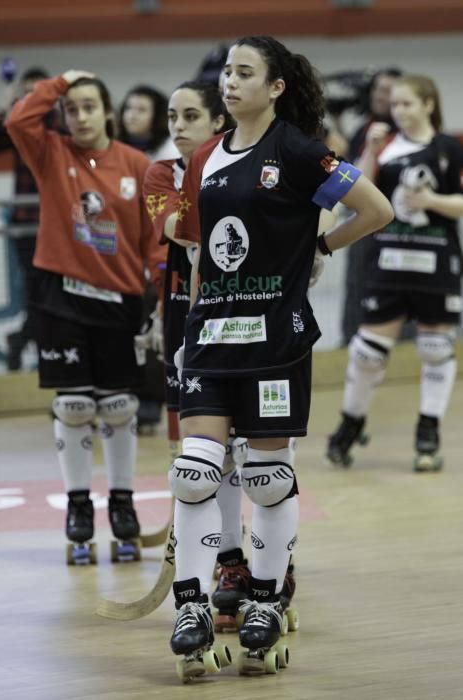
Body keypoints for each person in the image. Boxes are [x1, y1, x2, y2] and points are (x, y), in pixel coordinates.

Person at [166, 35, 393, 672]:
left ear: (275, 87)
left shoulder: (296, 152)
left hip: (275, 342)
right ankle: (190, 605)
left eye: (246, 73)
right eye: (228, 73)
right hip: (211, 336)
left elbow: (375, 209)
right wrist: (188, 326)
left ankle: (265, 599)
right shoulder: (205, 157)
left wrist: (319, 249)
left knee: (265, 479)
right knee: (196, 471)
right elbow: (206, 252)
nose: (231, 83)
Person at [5, 70, 160, 561]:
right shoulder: (52, 153)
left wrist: (157, 298)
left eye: (90, 106)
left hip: (118, 297)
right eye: (72, 110)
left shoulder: (136, 164)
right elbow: (17, 120)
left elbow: (152, 241)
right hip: (60, 295)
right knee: (73, 406)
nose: (81, 116)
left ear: (108, 111)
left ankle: (121, 503)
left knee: (118, 407)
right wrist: (59, 83)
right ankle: (77, 506)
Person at [141, 80, 254, 630]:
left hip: (242, 316)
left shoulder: (240, 165)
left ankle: (244, 565)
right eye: (172, 116)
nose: (178, 126)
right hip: (185, 315)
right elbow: (170, 226)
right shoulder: (163, 172)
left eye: (191, 116)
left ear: (218, 124)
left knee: (248, 456)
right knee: (199, 457)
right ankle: (215, 562)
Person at [327, 74, 463, 473]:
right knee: (367, 352)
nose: (398, 110)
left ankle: (428, 430)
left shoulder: (447, 147)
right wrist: (369, 150)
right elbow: (357, 192)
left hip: (436, 263)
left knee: (436, 350)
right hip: (388, 263)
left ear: (428, 105)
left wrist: (431, 200)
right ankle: (351, 423)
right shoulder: (384, 148)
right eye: (395, 104)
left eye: (407, 104)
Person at [117, 85, 179, 432]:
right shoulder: (114, 151)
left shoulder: (168, 152)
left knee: (155, 326)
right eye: (129, 108)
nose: (133, 115)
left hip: (159, 248)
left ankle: (153, 400)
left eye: (142, 109)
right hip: (121, 250)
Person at [0, 67, 54, 370]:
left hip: (58, 225)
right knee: (36, 291)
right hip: (26, 223)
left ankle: (21, 339)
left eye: (40, 93)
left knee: (47, 292)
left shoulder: (60, 125)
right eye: (29, 92)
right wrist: (9, 108)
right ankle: (26, 342)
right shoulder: (17, 126)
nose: (34, 99)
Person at [342, 68, 403, 345]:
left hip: (401, 230)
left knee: (401, 292)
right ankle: (349, 343)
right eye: (378, 89)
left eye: (389, 90)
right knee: (356, 289)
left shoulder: (410, 133)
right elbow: (352, 179)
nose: (381, 96)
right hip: (364, 228)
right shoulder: (361, 132)